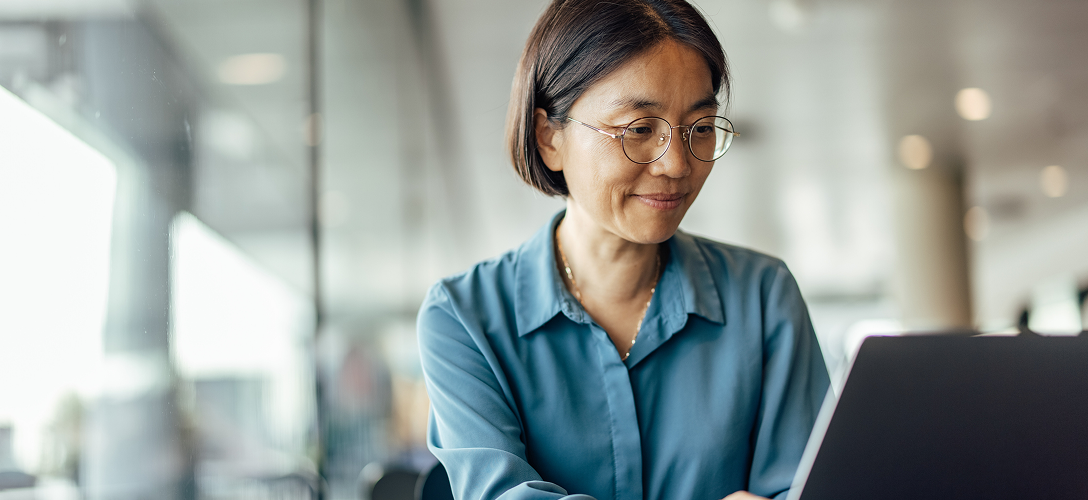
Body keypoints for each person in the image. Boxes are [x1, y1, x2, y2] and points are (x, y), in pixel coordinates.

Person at [416, 1, 830, 499]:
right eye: (639, 129)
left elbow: (806, 488)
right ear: (549, 138)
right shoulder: (464, 318)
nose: (676, 165)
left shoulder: (762, 297)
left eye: (700, 128)